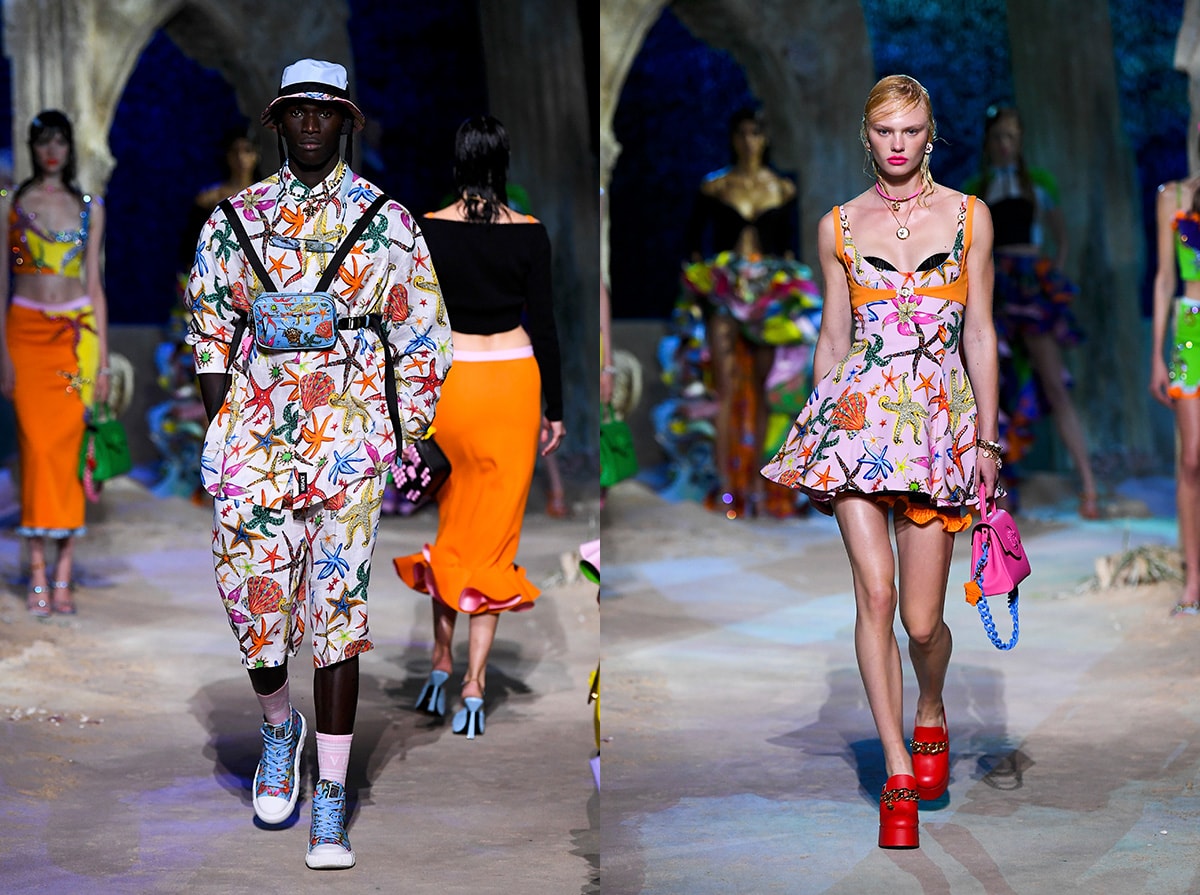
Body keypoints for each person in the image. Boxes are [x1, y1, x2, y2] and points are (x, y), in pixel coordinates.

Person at [186, 58, 451, 870]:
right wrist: (226, 424)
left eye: (324, 110)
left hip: (348, 441)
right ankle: (280, 727)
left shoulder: (387, 222)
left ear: (346, 121)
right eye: (297, 110)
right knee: (254, 603)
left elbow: (420, 330)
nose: (310, 123)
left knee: (339, 617)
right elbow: (209, 325)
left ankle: (329, 801)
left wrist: (409, 431)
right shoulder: (234, 220)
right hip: (255, 440)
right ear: (276, 121)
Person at [761, 75, 1000, 849]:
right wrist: (816, 429)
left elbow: (980, 333)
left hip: (936, 429)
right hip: (857, 425)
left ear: (932, 134)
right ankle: (898, 768)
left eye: (912, 130)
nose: (898, 144)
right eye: (885, 131)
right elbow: (834, 337)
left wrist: (987, 440)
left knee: (922, 622)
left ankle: (930, 707)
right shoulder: (837, 225)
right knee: (876, 592)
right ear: (866, 136)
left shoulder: (969, 216)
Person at [394, 114, 564, 739]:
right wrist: (556, 410)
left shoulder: (427, 228)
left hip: (453, 386)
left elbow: (411, 325)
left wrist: (404, 404)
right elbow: (546, 326)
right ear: (503, 163)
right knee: (494, 542)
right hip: (513, 385)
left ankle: (440, 663)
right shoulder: (530, 233)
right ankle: (474, 683)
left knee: (454, 530)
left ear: (459, 162)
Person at [674, 106, 822, 518]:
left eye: (755, 132)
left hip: (771, 296)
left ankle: (759, 484)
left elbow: (790, 249)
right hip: (724, 292)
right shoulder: (716, 186)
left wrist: (795, 295)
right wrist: (701, 288)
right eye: (741, 132)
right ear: (732, 137)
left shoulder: (783, 189)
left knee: (764, 390)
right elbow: (692, 248)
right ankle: (728, 487)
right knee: (725, 389)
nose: (748, 141)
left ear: (765, 138)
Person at [963, 105, 1099, 518]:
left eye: (1011, 136)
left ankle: (1089, 486)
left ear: (1020, 139)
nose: (1005, 144)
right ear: (988, 141)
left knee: (1054, 382)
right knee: (992, 387)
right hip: (995, 285)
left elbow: (1061, 236)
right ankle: (997, 491)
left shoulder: (1038, 182)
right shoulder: (977, 187)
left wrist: (1050, 273)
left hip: (1028, 281)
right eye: (998, 136)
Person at [0, 110, 110, 617]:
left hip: (76, 339)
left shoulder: (90, 207)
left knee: (68, 455)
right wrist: (2, 352)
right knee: (36, 449)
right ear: (32, 147)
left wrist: (102, 361)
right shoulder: (10, 202)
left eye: (60, 142)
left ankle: (60, 572)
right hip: (25, 335)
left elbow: (95, 285)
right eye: (43, 141)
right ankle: (37, 568)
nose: (51, 151)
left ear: (69, 148)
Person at [151, 128, 263, 501]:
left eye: (249, 150)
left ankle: (248, 474)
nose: (242, 158)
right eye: (236, 150)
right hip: (214, 307)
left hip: (257, 310)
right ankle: (208, 476)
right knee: (209, 387)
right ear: (226, 155)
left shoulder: (271, 201)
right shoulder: (208, 201)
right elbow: (190, 259)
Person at [1150, 156, 1200, 616]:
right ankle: (1193, 578)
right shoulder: (1174, 196)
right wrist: (1156, 357)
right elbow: (1165, 279)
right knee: (1191, 457)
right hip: (1191, 331)